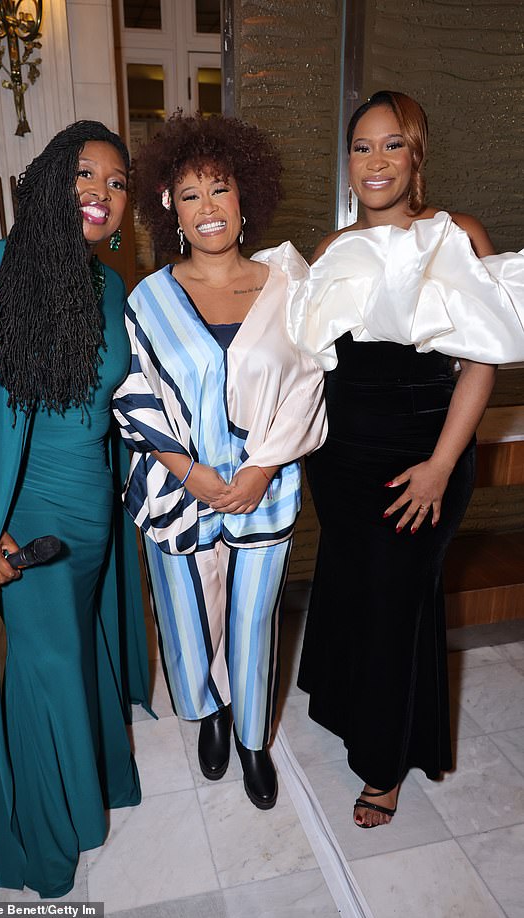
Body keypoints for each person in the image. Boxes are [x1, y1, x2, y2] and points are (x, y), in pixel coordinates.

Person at [0, 121, 150, 896]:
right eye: (85, 174)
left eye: (117, 183)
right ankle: (43, 842)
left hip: (95, 515)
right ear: (51, 179)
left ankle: (84, 800)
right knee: (47, 670)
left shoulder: (109, 286)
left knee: (78, 656)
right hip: (31, 525)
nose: (101, 193)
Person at [292, 90, 524, 828]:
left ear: (417, 154)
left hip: (425, 458)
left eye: (393, 145)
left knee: (397, 602)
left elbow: (482, 365)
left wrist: (440, 465)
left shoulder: (455, 234)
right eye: (362, 147)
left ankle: (384, 766)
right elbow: (313, 364)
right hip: (342, 462)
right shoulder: (331, 247)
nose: (376, 161)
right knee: (357, 590)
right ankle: (347, 708)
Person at [113, 113, 327, 810]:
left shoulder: (288, 287)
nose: (208, 207)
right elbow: (133, 390)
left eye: (220, 188)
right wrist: (189, 470)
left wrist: (260, 469)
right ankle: (208, 714)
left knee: (254, 616)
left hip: (263, 488)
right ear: (168, 206)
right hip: (178, 491)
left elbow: (307, 385)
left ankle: (253, 740)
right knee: (186, 615)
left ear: (245, 198)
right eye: (190, 193)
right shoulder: (147, 298)